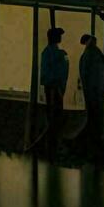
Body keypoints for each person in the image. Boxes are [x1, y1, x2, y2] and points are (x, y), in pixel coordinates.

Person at [78, 32, 104, 160]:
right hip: (100, 88)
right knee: (99, 111)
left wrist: (83, 85)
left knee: (92, 112)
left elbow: (84, 71)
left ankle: (93, 137)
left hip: (91, 89)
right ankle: (99, 137)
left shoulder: (87, 54)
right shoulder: (100, 54)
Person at [39, 27, 68, 159]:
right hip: (54, 88)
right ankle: (54, 147)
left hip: (51, 87)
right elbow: (60, 73)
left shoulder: (47, 52)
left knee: (52, 117)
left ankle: (52, 146)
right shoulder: (57, 53)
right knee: (55, 117)